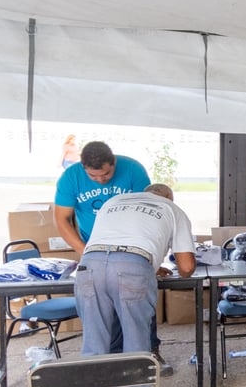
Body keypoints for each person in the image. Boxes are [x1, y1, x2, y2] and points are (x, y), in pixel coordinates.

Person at [54, 141, 174, 374]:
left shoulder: (133, 170)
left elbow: (150, 213)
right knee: (102, 319)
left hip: (133, 251)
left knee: (140, 307)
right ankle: (111, 363)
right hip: (94, 249)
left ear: (114, 163)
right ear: (83, 167)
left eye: (106, 173)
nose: (101, 179)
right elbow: (62, 219)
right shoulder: (71, 177)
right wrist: (86, 252)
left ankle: (149, 354)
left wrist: (148, 261)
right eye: (93, 176)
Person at [76, 184, 195, 387]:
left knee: (94, 342)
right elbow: (187, 267)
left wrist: (150, 263)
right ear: (169, 197)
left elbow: (112, 243)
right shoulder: (172, 209)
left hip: (90, 265)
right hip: (133, 268)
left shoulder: (114, 202)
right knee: (136, 341)